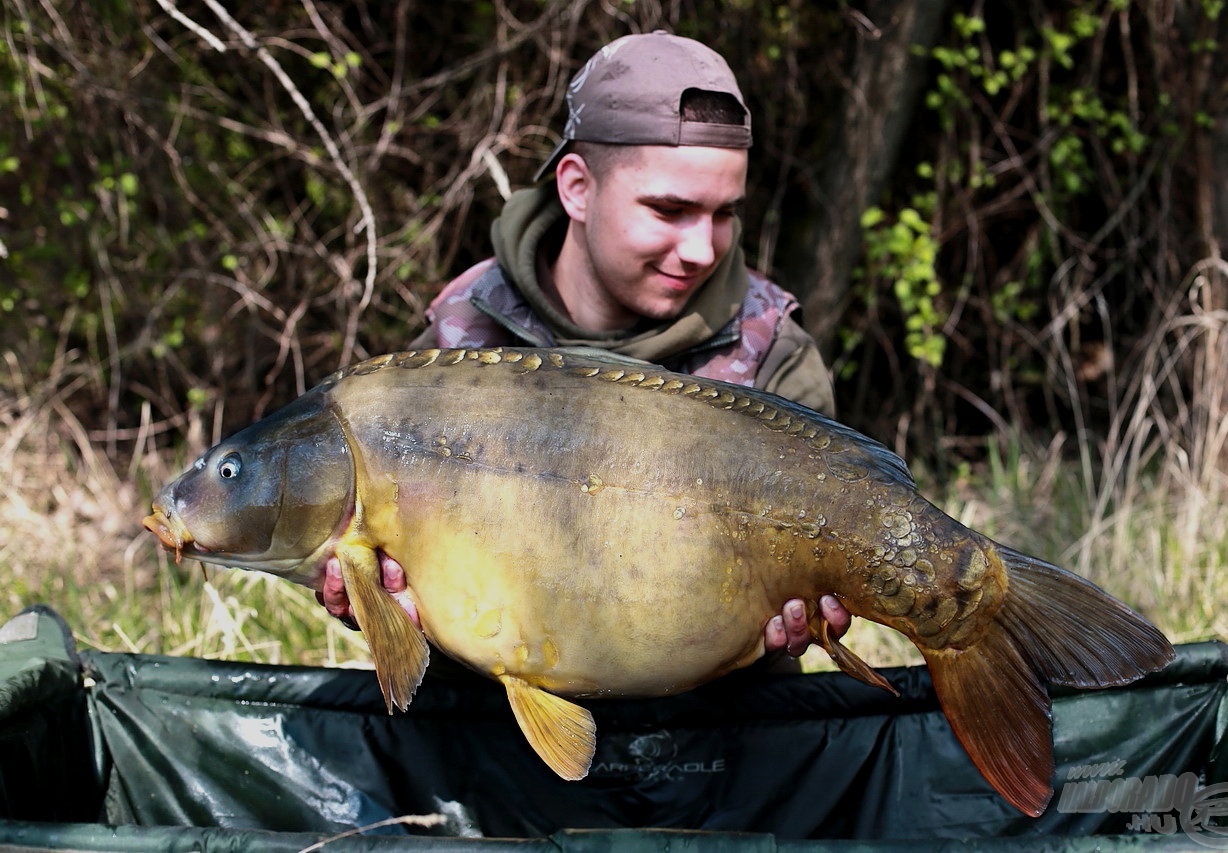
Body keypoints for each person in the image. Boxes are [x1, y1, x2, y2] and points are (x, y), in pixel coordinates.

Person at [317, 31, 851, 661]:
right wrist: (375, 602)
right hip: (502, 721)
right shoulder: (461, 341)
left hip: (717, 724)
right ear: (577, 187)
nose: (704, 248)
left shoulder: (775, 355)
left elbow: (821, 587)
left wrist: (805, 620)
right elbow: (383, 566)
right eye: (669, 209)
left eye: (724, 214)